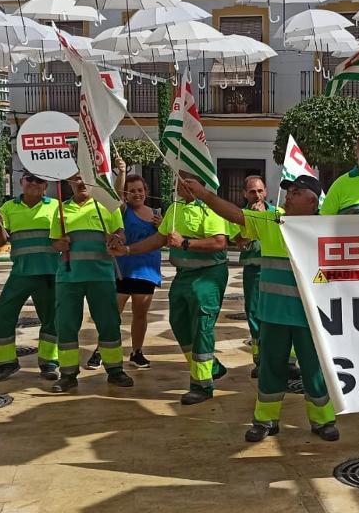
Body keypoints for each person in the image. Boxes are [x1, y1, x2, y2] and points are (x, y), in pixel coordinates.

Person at [189, 174, 339, 443]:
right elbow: (236, 215)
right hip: (273, 314)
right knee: (270, 367)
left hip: (311, 317)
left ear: (313, 200)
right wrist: (204, 195)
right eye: (288, 191)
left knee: (314, 369)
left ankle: (323, 419)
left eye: (295, 192)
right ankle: (265, 420)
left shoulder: (327, 229)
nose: (288, 196)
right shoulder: (273, 221)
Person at [123, 171, 229, 404]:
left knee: (201, 325)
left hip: (208, 275)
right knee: (178, 322)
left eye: (182, 181)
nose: (177, 185)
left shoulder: (210, 208)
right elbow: (159, 239)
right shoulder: (174, 209)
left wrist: (185, 243)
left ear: (195, 185)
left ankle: (202, 385)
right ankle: (211, 366)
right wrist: (129, 250)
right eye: (177, 181)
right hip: (183, 275)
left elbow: (220, 242)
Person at [48, 173, 133, 393]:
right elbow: (54, 244)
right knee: (66, 325)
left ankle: (115, 370)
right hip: (68, 278)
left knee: (108, 323)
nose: (81, 183)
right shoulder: (61, 210)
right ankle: (67, 374)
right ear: (68, 183)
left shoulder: (106, 206)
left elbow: (120, 233)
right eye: (75, 179)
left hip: (101, 276)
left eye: (84, 177)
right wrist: (61, 243)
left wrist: (117, 239)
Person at [0, 173, 61, 382]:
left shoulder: (56, 206)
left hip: (50, 272)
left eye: (39, 180)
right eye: (30, 179)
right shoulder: (8, 207)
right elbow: (0, 242)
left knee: (52, 319)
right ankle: (6, 363)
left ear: (46, 184)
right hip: (21, 272)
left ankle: (49, 362)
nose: (34, 184)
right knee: (2, 314)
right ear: (21, 182)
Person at [109, 174, 163, 370]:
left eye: (140, 190)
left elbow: (165, 238)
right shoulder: (122, 211)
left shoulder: (157, 214)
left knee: (140, 315)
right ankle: (103, 349)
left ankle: (136, 352)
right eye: (132, 191)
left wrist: (161, 227)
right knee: (113, 313)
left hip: (146, 272)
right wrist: (121, 172)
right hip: (122, 270)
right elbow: (114, 196)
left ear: (146, 192)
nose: (137, 194)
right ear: (126, 194)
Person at [231, 175, 279, 378]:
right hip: (253, 271)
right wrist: (253, 220)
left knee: (277, 314)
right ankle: (259, 361)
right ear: (244, 193)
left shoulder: (277, 212)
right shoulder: (240, 215)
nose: (257, 195)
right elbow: (237, 241)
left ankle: (280, 359)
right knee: (254, 314)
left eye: (260, 191)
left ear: (266, 191)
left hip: (276, 271)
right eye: (252, 191)